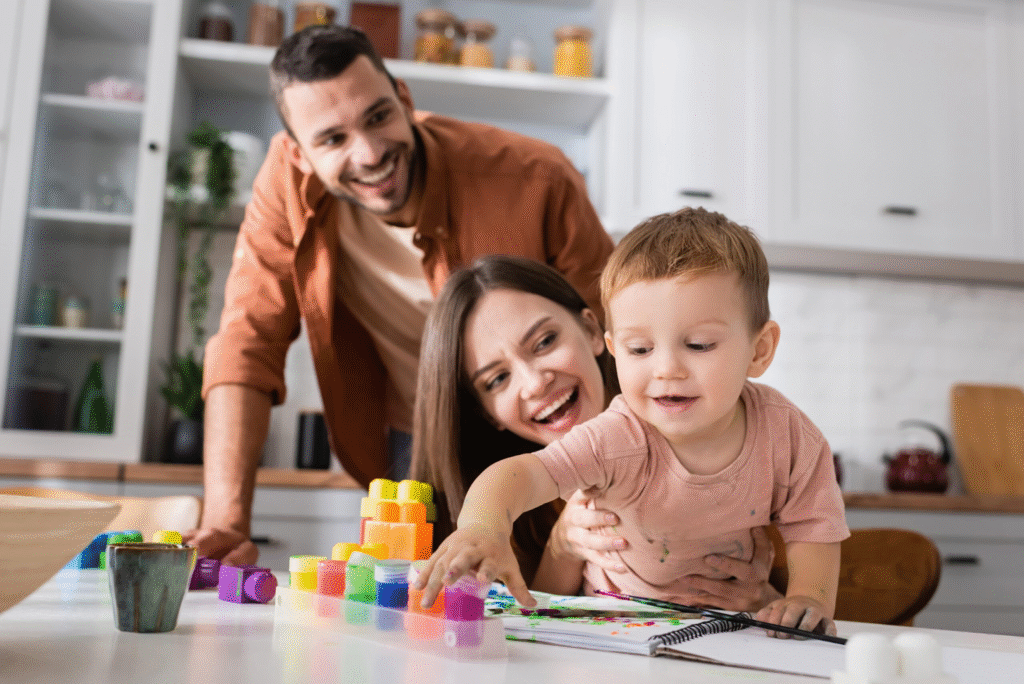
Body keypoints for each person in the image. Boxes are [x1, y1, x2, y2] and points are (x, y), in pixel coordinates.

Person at [185, 25, 614, 565]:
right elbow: (248, 343)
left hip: (545, 427)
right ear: (299, 153)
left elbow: (612, 334)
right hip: (414, 439)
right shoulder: (284, 189)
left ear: (404, 99)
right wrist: (226, 523)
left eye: (378, 117)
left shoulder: (533, 177)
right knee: (425, 595)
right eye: (333, 140)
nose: (369, 154)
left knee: (577, 570)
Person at [414, 208, 850, 636]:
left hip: (725, 633)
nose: (667, 369)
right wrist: (483, 527)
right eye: (640, 350)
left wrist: (806, 597)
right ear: (615, 349)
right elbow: (522, 473)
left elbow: (813, 524)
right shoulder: (615, 436)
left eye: (699, 345)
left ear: (760, 350)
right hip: (612, 634)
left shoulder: (788, 435)